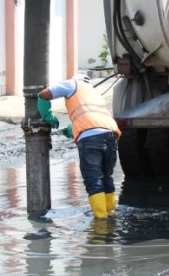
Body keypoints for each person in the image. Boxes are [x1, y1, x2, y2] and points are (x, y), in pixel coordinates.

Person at [37, 74, 121, 219]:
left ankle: (101, 221)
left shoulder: (72, 84)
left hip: (90, 137)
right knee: (107, 177)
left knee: (93, 179)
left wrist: (47, 115)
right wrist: (73, 129)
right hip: (111, 134)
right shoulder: (94, 93)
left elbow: (43, 94)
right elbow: (91, 117)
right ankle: (111, 214)